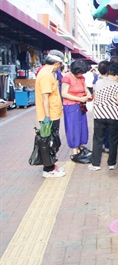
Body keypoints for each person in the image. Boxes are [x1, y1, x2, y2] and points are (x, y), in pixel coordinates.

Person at [88, 62, 118, 171]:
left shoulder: (98, 82)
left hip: (99, 114)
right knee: (113, 140)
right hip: (113, 115)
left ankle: (95, 164)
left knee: (97, 139)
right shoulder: (117, 85)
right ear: (117, 75)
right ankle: (112, 164)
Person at [34, 49, 65, 178]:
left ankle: (51, 165)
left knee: (52, 140)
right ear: (57, 63)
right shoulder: (46, 75)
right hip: (49, 115)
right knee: (48, 142)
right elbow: (45, 97)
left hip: (52, 114)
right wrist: (47, 116)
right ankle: (48, 169)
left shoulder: (46, 73)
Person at [61, 60, 92, 161]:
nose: (81, 74)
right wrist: (79, 99)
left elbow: (85, 88)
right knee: (73, 127)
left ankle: (79, 148)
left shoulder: (82, 78)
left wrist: (88, 94)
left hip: (80, 106)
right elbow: (64, 94)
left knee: (82, 126)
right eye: (80, 72)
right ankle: (75, 151)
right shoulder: (67, 78)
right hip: (71, 106)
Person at [94, 61, 112, 153]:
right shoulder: (111, 81)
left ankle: (100, 146)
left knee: (100, 129)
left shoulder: (97, 79)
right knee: (108, 128)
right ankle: (107, 146)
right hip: (109, 108)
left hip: (99, 108)